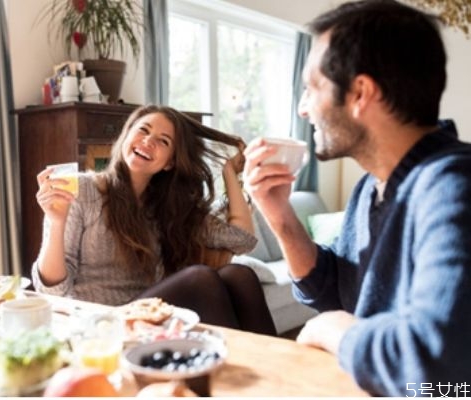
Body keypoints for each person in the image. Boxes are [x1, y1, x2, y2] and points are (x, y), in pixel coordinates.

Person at [243, 0, 471, 396]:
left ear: (360, 93)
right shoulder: (370, 187)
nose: (302, 109)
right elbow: (335, 292)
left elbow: (440, 375)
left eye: (311, 89)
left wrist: (337, 331)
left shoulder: (455, 185)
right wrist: (278, 214)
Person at [32, 104, 277, 335]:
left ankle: (273, 371)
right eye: (143, 130)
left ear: (170, 162)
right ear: (127, 136)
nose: (148, 141)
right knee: (200, 279)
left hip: (152, 313)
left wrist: (228, 173)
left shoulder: (169, 208)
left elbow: (243, 241)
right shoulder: (83, 189)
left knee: (239, 275)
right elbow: (54, 290)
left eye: (163, 141)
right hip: (103, 320)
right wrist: (56, 221)